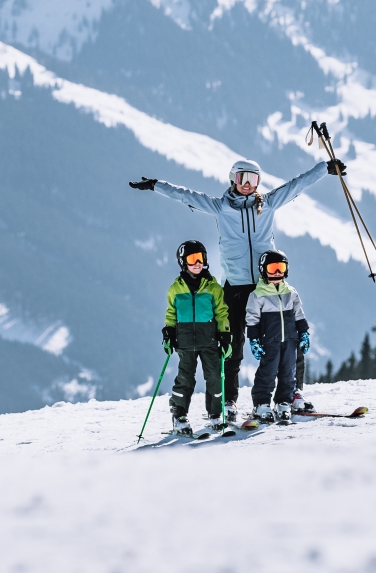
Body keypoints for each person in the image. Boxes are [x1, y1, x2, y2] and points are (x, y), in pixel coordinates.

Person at [130, 156, 343, 419]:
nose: (248, 184)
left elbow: (296, 185)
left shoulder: (268, 204)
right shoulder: (221, 208)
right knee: (231, 344)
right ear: (233, 179)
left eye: (254, 179)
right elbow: (186, 195)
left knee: (288, 337)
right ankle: (229, 399)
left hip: (268, 285)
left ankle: (293, 392)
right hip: (237, 288)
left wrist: (325, 169)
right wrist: (156, 185)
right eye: (243, 178)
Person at [162, 240, 233, 436]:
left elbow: (222, 313)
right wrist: (168, 334)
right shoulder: (175, 289)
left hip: (209, 341)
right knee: (185, 379)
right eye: (192, 259)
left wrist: (225, 336)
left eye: (201, 258)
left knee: (214, 378)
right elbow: (171, 314)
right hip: (184, 343)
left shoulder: (213, 288)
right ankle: (179, 415)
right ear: (183, 262)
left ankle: (215, 415)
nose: (197, 263)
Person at [244, 249, 310, 424]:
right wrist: (254, 340)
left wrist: (304, 333)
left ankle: (283, 401)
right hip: (270, 341)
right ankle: (261, 403)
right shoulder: (257, 295)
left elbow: (299, 315)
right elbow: (252, 320)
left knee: (289, 373)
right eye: (272, 268)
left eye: (281, 267)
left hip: (290, 339)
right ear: (263, 269)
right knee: (268, 372)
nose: (277, 272)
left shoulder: (291, 292)